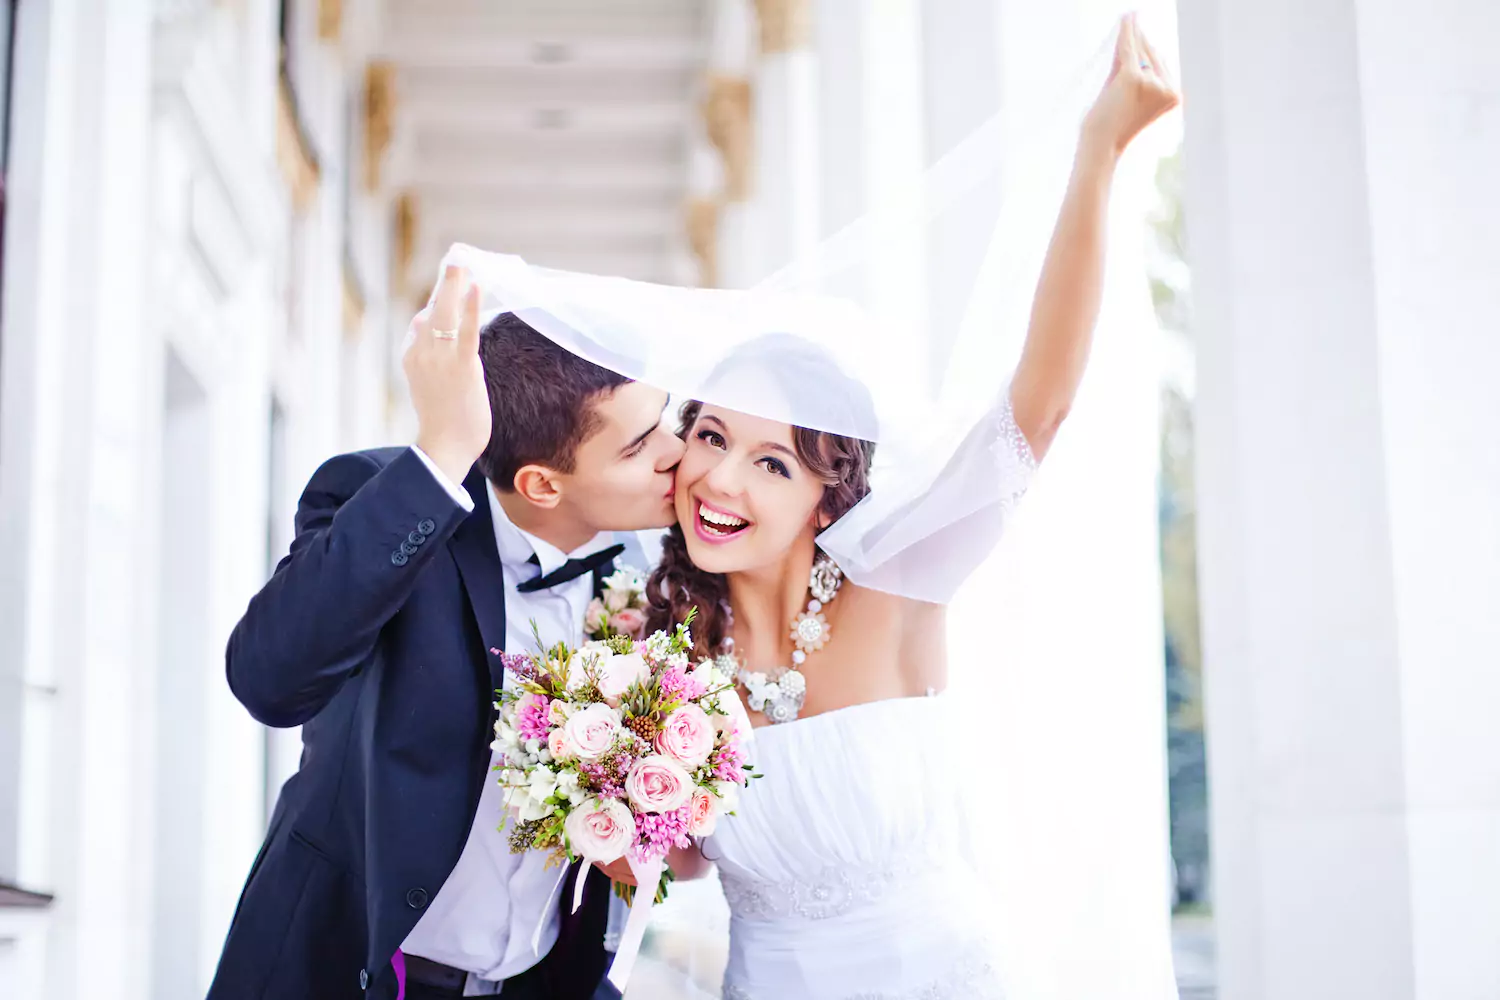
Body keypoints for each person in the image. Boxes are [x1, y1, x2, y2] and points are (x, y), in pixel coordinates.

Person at [628, 16, 1179, 997]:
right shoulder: (662, 657)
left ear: (824, 495)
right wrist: (610, 793)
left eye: (773, 464)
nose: (722, 482)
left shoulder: (897, 587)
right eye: (711, 438)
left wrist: (1098, 155)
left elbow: (1035, 412)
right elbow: (682, 864)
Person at [207, 269, 681, 1000]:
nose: (676, 452)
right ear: (542, 485)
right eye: (640, 444)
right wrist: (438, 456)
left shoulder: (652, 572)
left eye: (667, 420)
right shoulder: (394, 502)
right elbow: (268, 679)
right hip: (347, 972)